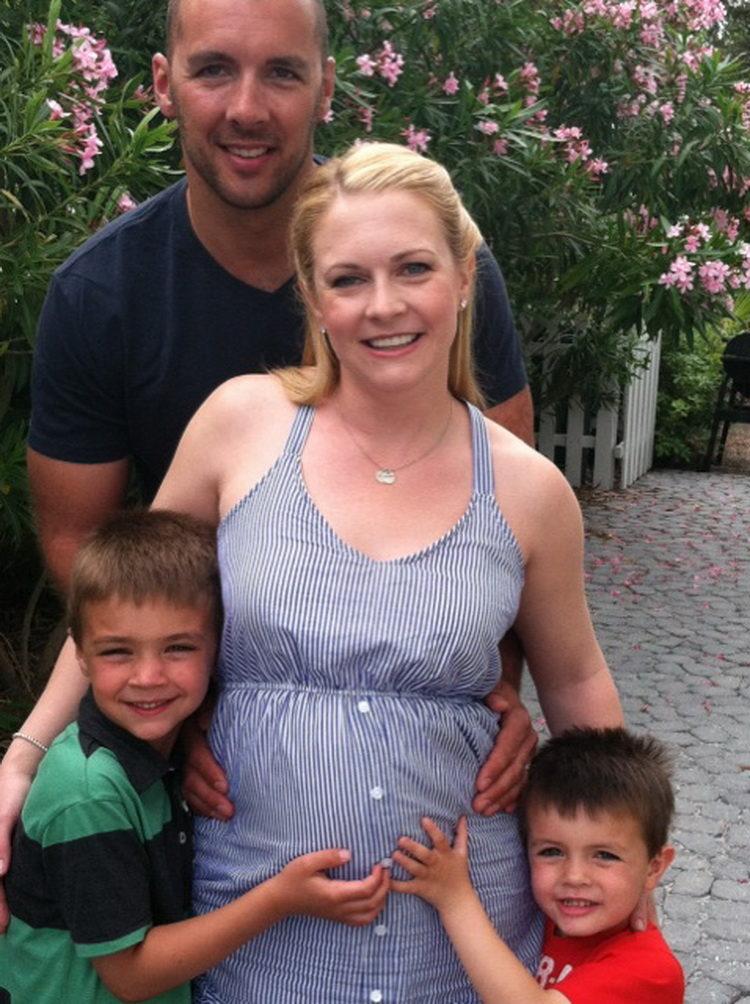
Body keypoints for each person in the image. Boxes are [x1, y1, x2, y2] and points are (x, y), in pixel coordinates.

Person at [0, 0, 534, 917]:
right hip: (197, 682)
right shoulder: (101, 295)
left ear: (326, 86)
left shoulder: (431, 273)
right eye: (214, 69)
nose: (247, 107)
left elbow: (512, 513)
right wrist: (177, 700)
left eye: (282, 72)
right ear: (163, 84)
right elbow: (83, 549)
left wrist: (496, 685)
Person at [141, 139, 624, 1001]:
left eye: (413, 268)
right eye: (348, 278)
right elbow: (126, 605)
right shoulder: (240, 427)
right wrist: (26, 761)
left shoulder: (528, 490)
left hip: (460, 943)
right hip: (258, 928)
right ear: (313, 298)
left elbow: (576, 678)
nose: (384, 304)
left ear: (465, 276)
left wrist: (627, 866)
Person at [0, 510, 388, 1003]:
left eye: (178, 648)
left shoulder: (162, 750)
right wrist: (279, 899)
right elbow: (131, 974)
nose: (148, 677)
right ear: (80, 656)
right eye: (117, 652)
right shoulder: (88, 791)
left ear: (219, 650)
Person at [392, 727, 685, 1003]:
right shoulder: (536, 920)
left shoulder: (650, 969)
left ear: (653, 868)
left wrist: (455, 899)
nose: (574, 876)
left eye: (605, 855)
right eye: (552, 851)